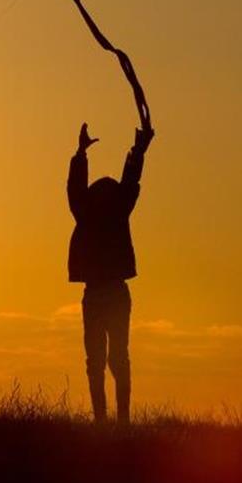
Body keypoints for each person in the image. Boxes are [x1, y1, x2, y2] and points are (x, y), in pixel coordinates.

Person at [67, 122, 154, 424]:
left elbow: (82, 189)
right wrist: (137, 151)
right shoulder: (108, 211)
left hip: (105, 293)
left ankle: (112, 420)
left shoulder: (92, 211)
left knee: (105, 359)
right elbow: (128, 182)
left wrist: (137, 151)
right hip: (110, 293)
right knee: (111, 358)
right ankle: (113, 420)